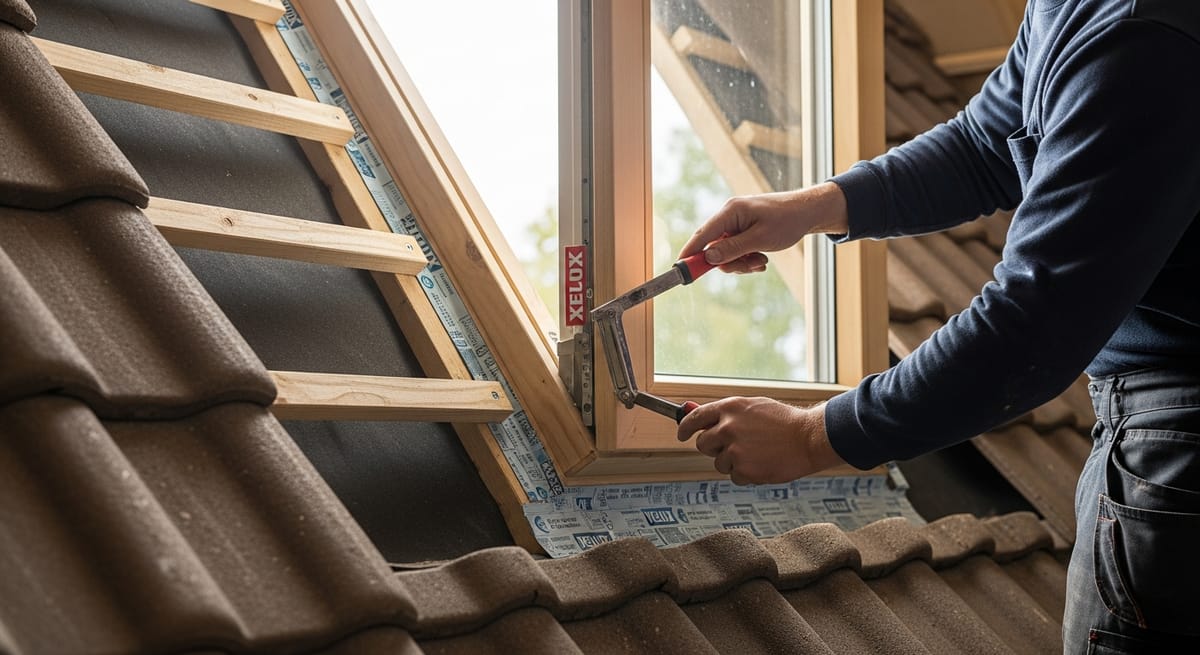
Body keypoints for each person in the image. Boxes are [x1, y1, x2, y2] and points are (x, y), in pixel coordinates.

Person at [674, 0, 1200, 651]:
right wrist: (814, 208)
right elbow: (986, 146)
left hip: (1177, 445)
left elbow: (1031, 325)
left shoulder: (1144, 35)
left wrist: (814, 436)